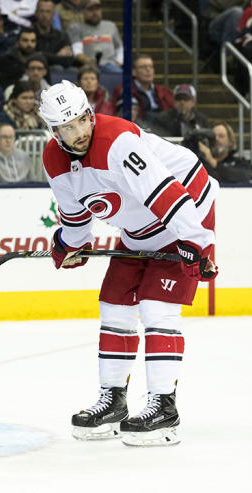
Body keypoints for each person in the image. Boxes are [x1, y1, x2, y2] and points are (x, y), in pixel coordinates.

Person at [38, 80, 218, 447]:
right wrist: (66, 245)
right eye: (66, 127)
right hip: (138, 227)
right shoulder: (54, 160)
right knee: (114, 304)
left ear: (90, 114)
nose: (78, 133)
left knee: (157, 308)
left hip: (185, 212)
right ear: (53, 131)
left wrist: (197, 242)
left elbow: (165, 191)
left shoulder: (116, 141)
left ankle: (163, 406)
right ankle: (113, 400)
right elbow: (75, 220)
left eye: (81, 121)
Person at [110, 54, 174, 123]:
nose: (148, 70)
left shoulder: (165, 91)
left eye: (151, 66)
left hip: (163, 129)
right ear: (134, 72)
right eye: (143, 67)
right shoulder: (123, 90)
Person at [68, 0, 123, 73]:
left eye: (97, 9)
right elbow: (77, 51)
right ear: (82, 11)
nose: (95, 12)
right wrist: (88, 61)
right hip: (88, 67)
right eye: (91, 9)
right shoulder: (76, 28)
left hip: (110, 65)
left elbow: (119, 47)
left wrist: (118, 63)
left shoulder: (111, 25)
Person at [181, 123, 252, 184]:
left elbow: (244, 177)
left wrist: (212, 161)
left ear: (231, 142)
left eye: (221, 136)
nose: (216, 139)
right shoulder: (201, 163)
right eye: (213, 136)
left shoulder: (240, 163)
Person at [32, 0, 74, 70]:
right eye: (41, 11)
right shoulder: (28, 33)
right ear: (36, 13)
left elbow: (69, 60)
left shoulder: (62, 36)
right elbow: (30, 57)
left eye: (48, 12)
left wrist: (43, 55)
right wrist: (56, 57)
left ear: (53, 14)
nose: (44, 15)